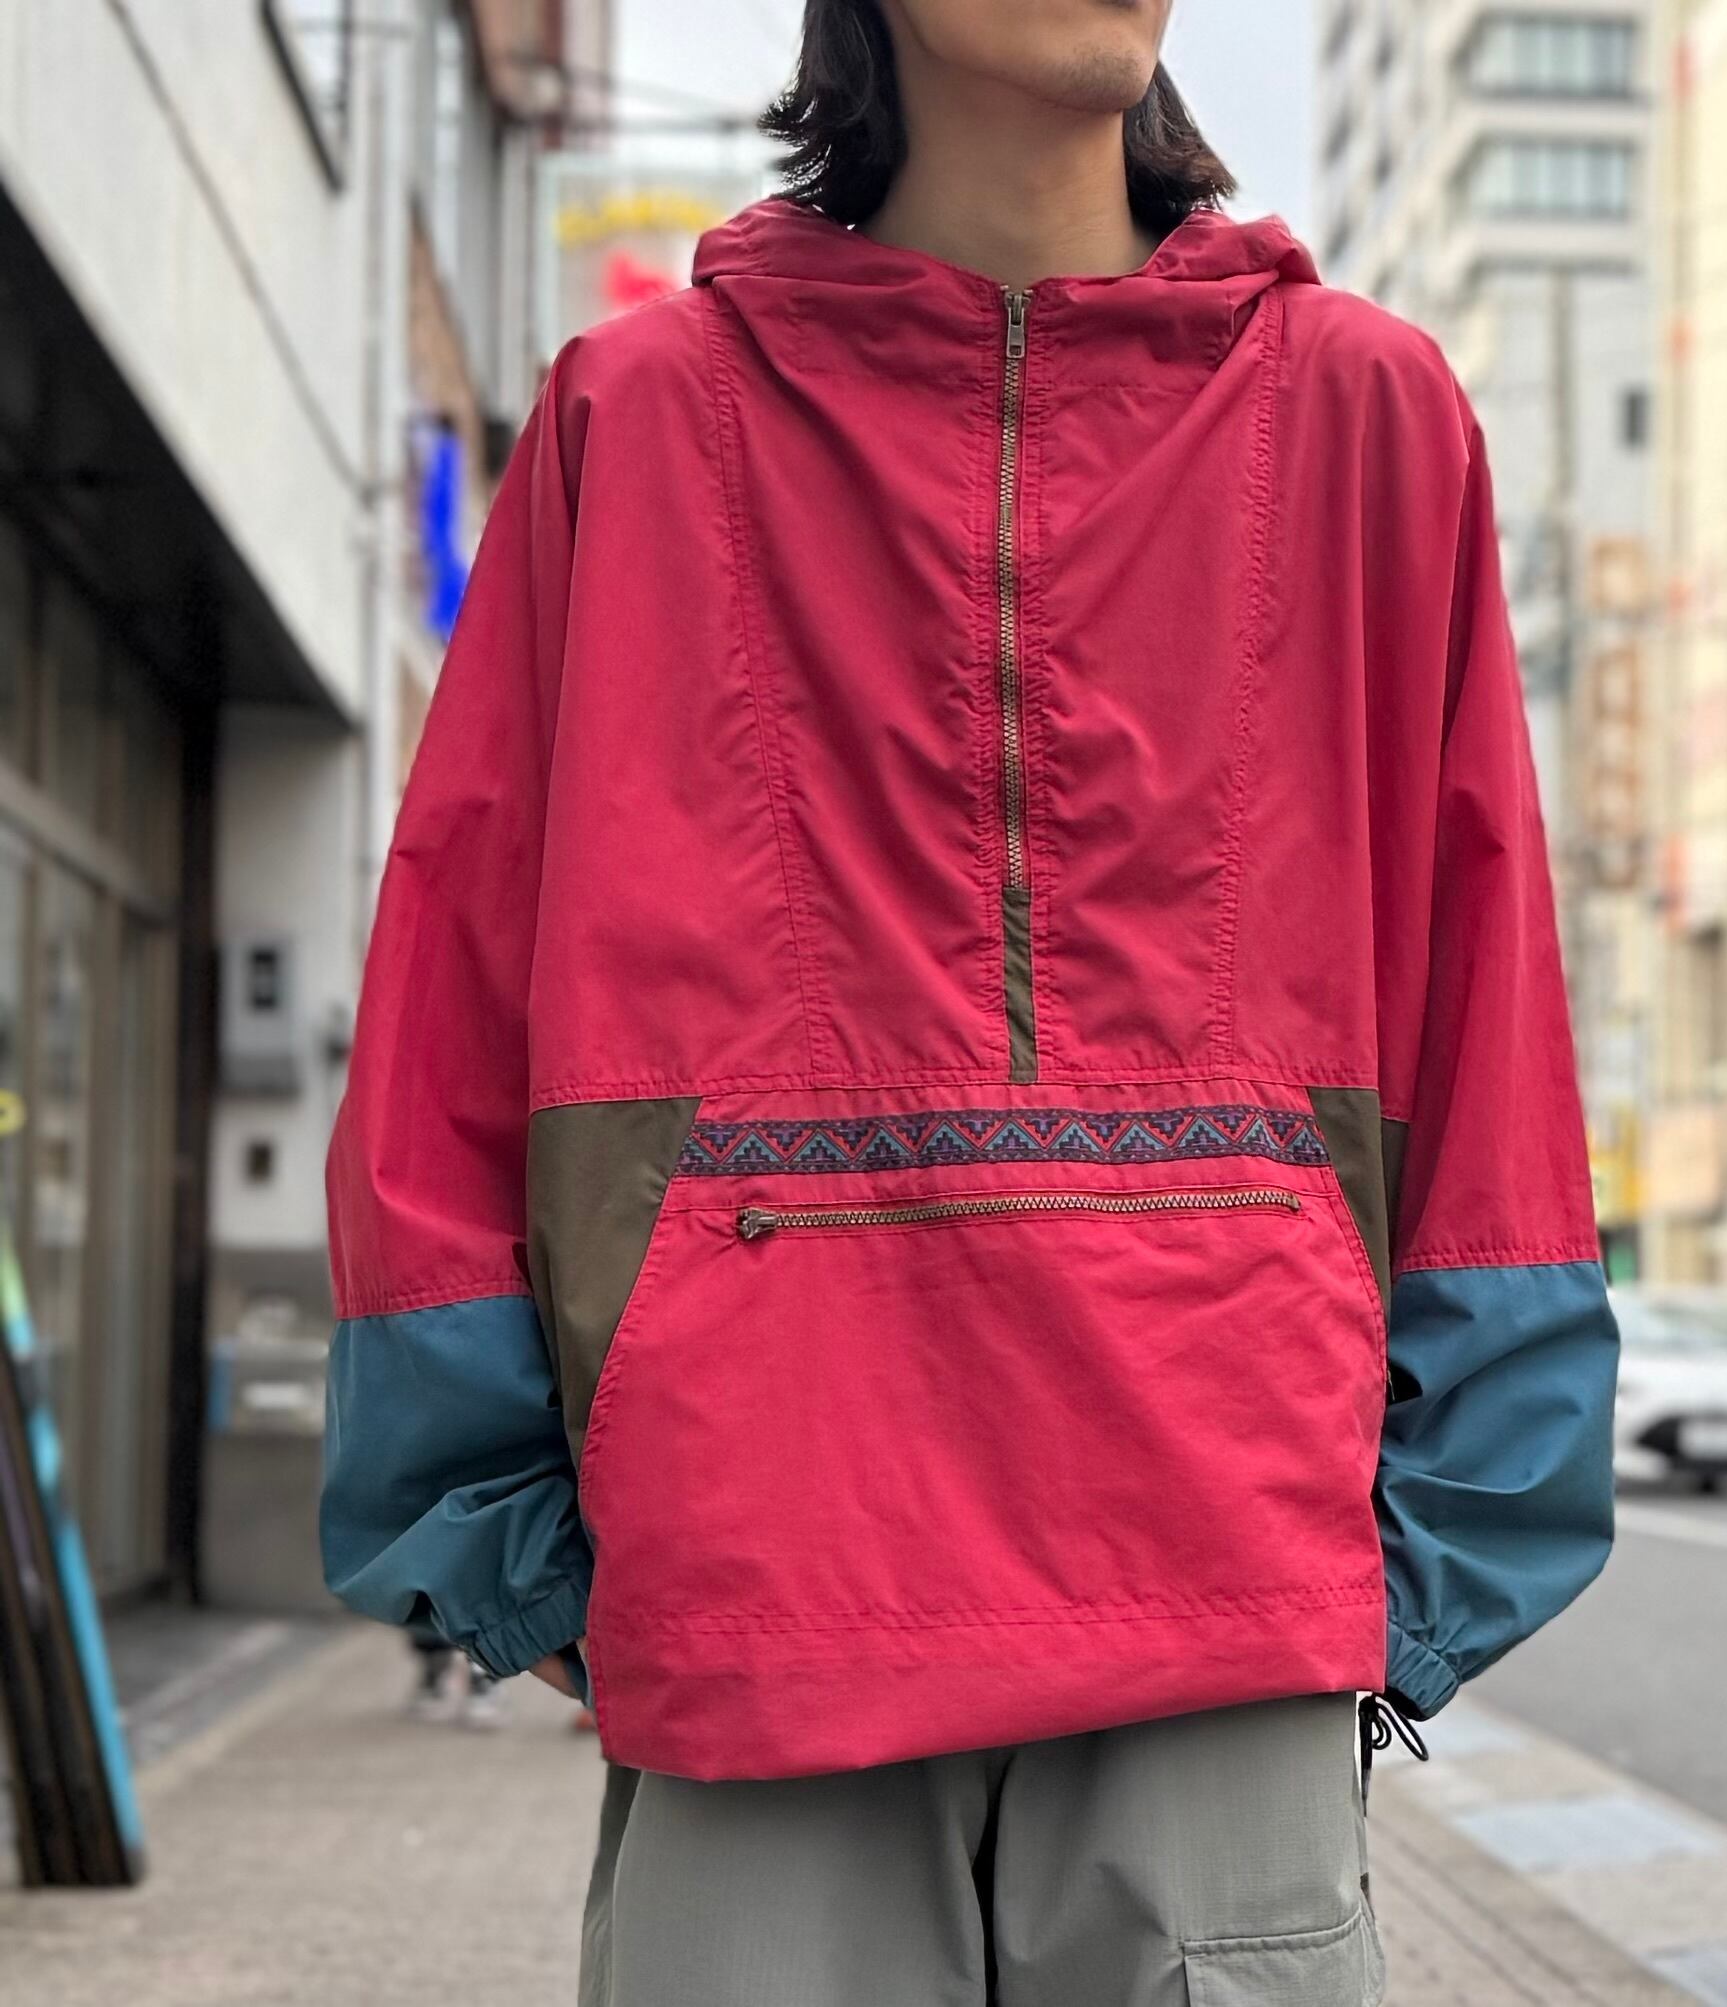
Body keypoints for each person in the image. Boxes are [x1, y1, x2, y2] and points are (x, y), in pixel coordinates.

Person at [318, 2, 1619, 2000]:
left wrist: (1449, 1535)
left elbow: (1482, 987)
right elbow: (460, 984)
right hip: (764, 1581)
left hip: (1229, 1592)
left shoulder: (1369, 414)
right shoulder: (634, 419)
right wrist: (498, 1527)